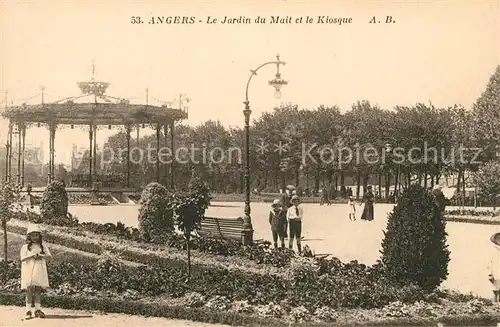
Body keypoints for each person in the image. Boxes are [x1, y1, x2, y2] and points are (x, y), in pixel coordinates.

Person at [20, 224, 52, 318]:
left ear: (39, 236)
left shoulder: (42, 246)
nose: (34, 237)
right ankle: (28, 310)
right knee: (29, 290)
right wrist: (32, 256)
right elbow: (22, 258)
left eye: (36, 235)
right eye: (32, 235)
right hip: (29, 270)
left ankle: (37, 309)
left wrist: (41, 256)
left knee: (38, 290)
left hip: (39, 270)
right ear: (29, 236)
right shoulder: (25, 247)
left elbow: (49, 256)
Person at [489, 232, 500, 303]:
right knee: (496, 290)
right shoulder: (493, 250)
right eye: (498, 239)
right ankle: (495, 306)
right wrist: (490, 274)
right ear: (495, 240)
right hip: (496, 274)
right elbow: (489, 263)